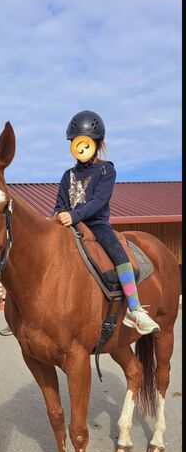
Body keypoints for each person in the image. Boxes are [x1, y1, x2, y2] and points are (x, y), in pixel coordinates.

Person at [53, 110, 160, 335]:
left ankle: (134, 308)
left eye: (86, 142)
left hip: (96, 224)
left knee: (119, 254)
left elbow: (99, 202)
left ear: (97, 143)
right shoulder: (67, 175)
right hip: (68, 225)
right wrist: (58, 218)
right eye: (76, 143)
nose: (80, 147)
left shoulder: (106, 170)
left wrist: (74, 215)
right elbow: (60, 204)